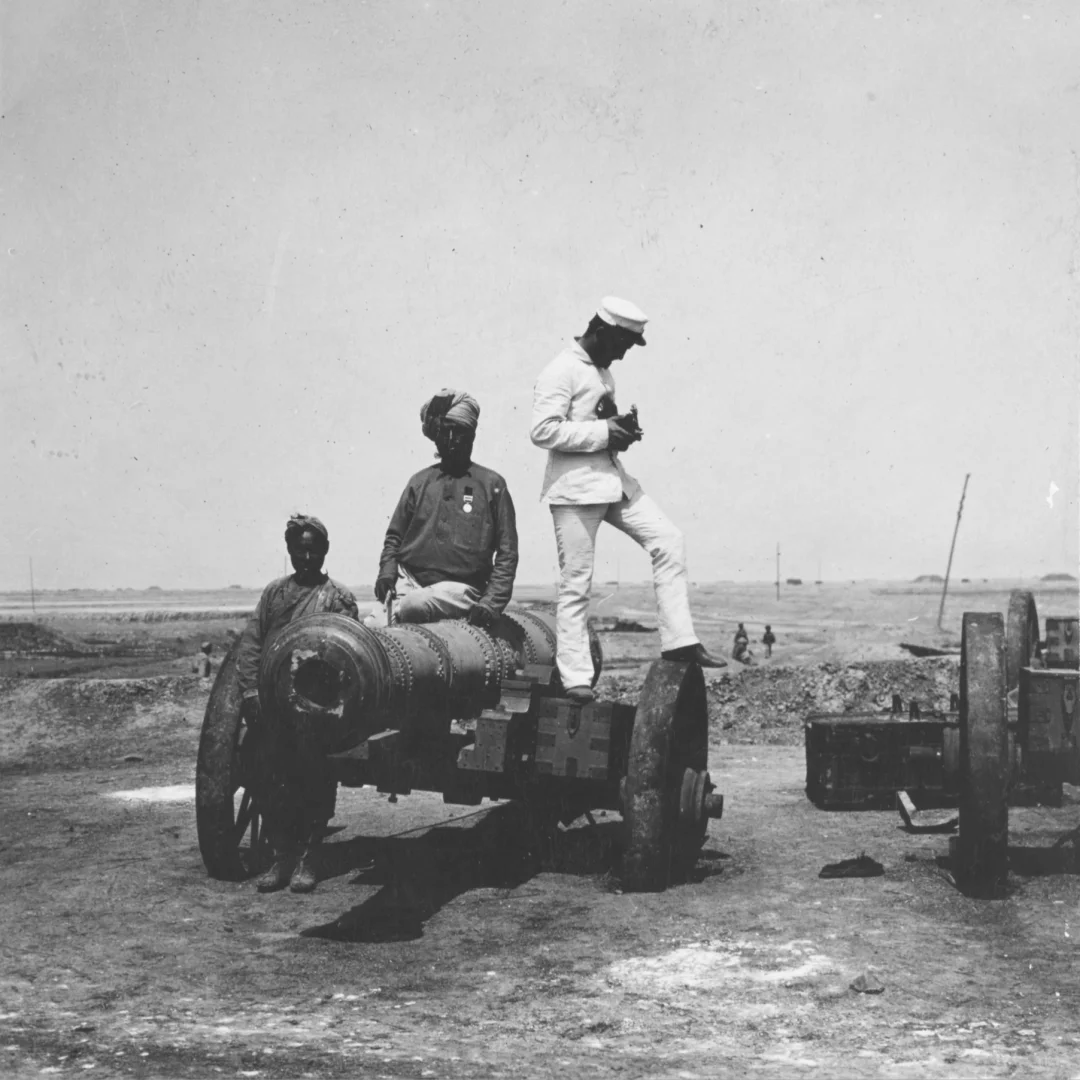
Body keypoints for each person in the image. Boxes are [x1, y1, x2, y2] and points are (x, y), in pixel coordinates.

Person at [530, 296, 725, 704]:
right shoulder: (560, 369)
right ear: (601, 332)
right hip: (575, 491)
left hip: (611, 481)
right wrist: (605, 432)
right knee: (576, 584)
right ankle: (576, 679)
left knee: (668, 539)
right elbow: (543, 431)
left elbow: (592, 426)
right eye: (622, 344)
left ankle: (679, 641)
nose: (623, 354)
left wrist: (619, 433)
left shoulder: (602, 373)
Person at [237, 514, 359, 894]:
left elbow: (349, 657)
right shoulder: (274, 595)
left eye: (313, 550)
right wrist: (250, 693)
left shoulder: (337, 598)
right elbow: (252, 645)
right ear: (289, 551)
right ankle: (281, 857)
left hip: (315, 711)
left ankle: (309, 858)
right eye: (299, 550)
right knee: (268, 778)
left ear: (325, 551)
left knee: (314, 782)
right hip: (273, 710)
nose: (306, 557)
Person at [376, 389, 518, 629]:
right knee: (370, 631)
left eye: (460, 432)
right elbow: (394, 538)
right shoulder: (419, 482)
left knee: (414, 606)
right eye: (446, 432)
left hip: (461, 590)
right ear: (436, 436)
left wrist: (490, 603)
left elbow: (507, 552)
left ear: (472, 436)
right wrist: (387, 573)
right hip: (409, 582)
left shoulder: (492, 485)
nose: (452, 440)